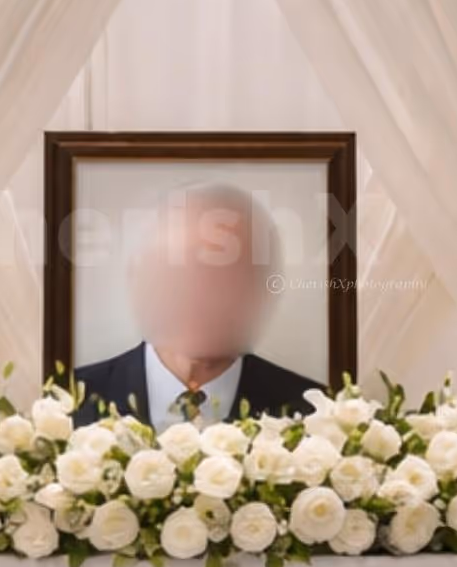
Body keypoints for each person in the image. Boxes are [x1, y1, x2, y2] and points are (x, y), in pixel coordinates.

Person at [74, 183, 319, 427]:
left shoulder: (317, 417)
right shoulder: (66, 405)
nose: (202, 292)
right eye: (181, 270)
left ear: (265, 291)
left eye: (229, 275)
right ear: (136, 278)